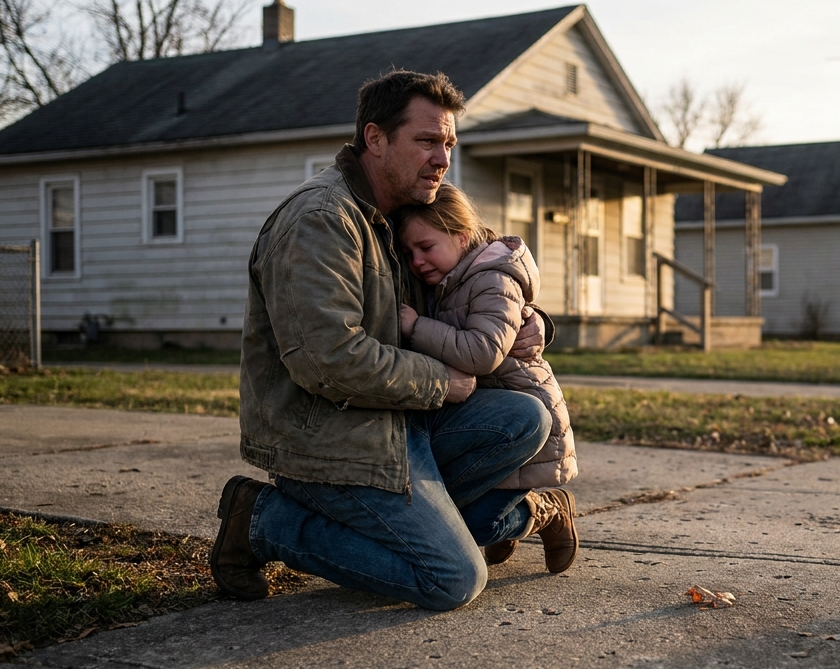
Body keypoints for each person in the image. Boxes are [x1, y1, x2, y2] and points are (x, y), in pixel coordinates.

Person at [209, 69, 575, 612]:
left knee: (525, 417)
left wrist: (534, 318)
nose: (443, 157)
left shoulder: (397, 214)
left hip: (400, 423)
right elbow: (326, 359)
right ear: (375, 139)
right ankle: (262, 519)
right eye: (427, 141)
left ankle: (466, 519)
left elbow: (480, 270)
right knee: (451, 579)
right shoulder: (321, 221)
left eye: (448, 143)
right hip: (330, 440)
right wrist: (440, 381)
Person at [396, 184, 578, 572]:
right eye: (409, 253)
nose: (417, 261)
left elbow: (482, 352)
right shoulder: (449, 280)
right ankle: (506, 525)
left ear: (461, 236)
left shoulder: (491, 277)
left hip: (516, 416)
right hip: (482, 421)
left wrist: (416, 327)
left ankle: (545, 510)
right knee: (456, 520)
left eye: (426, 247)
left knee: (478, 524)